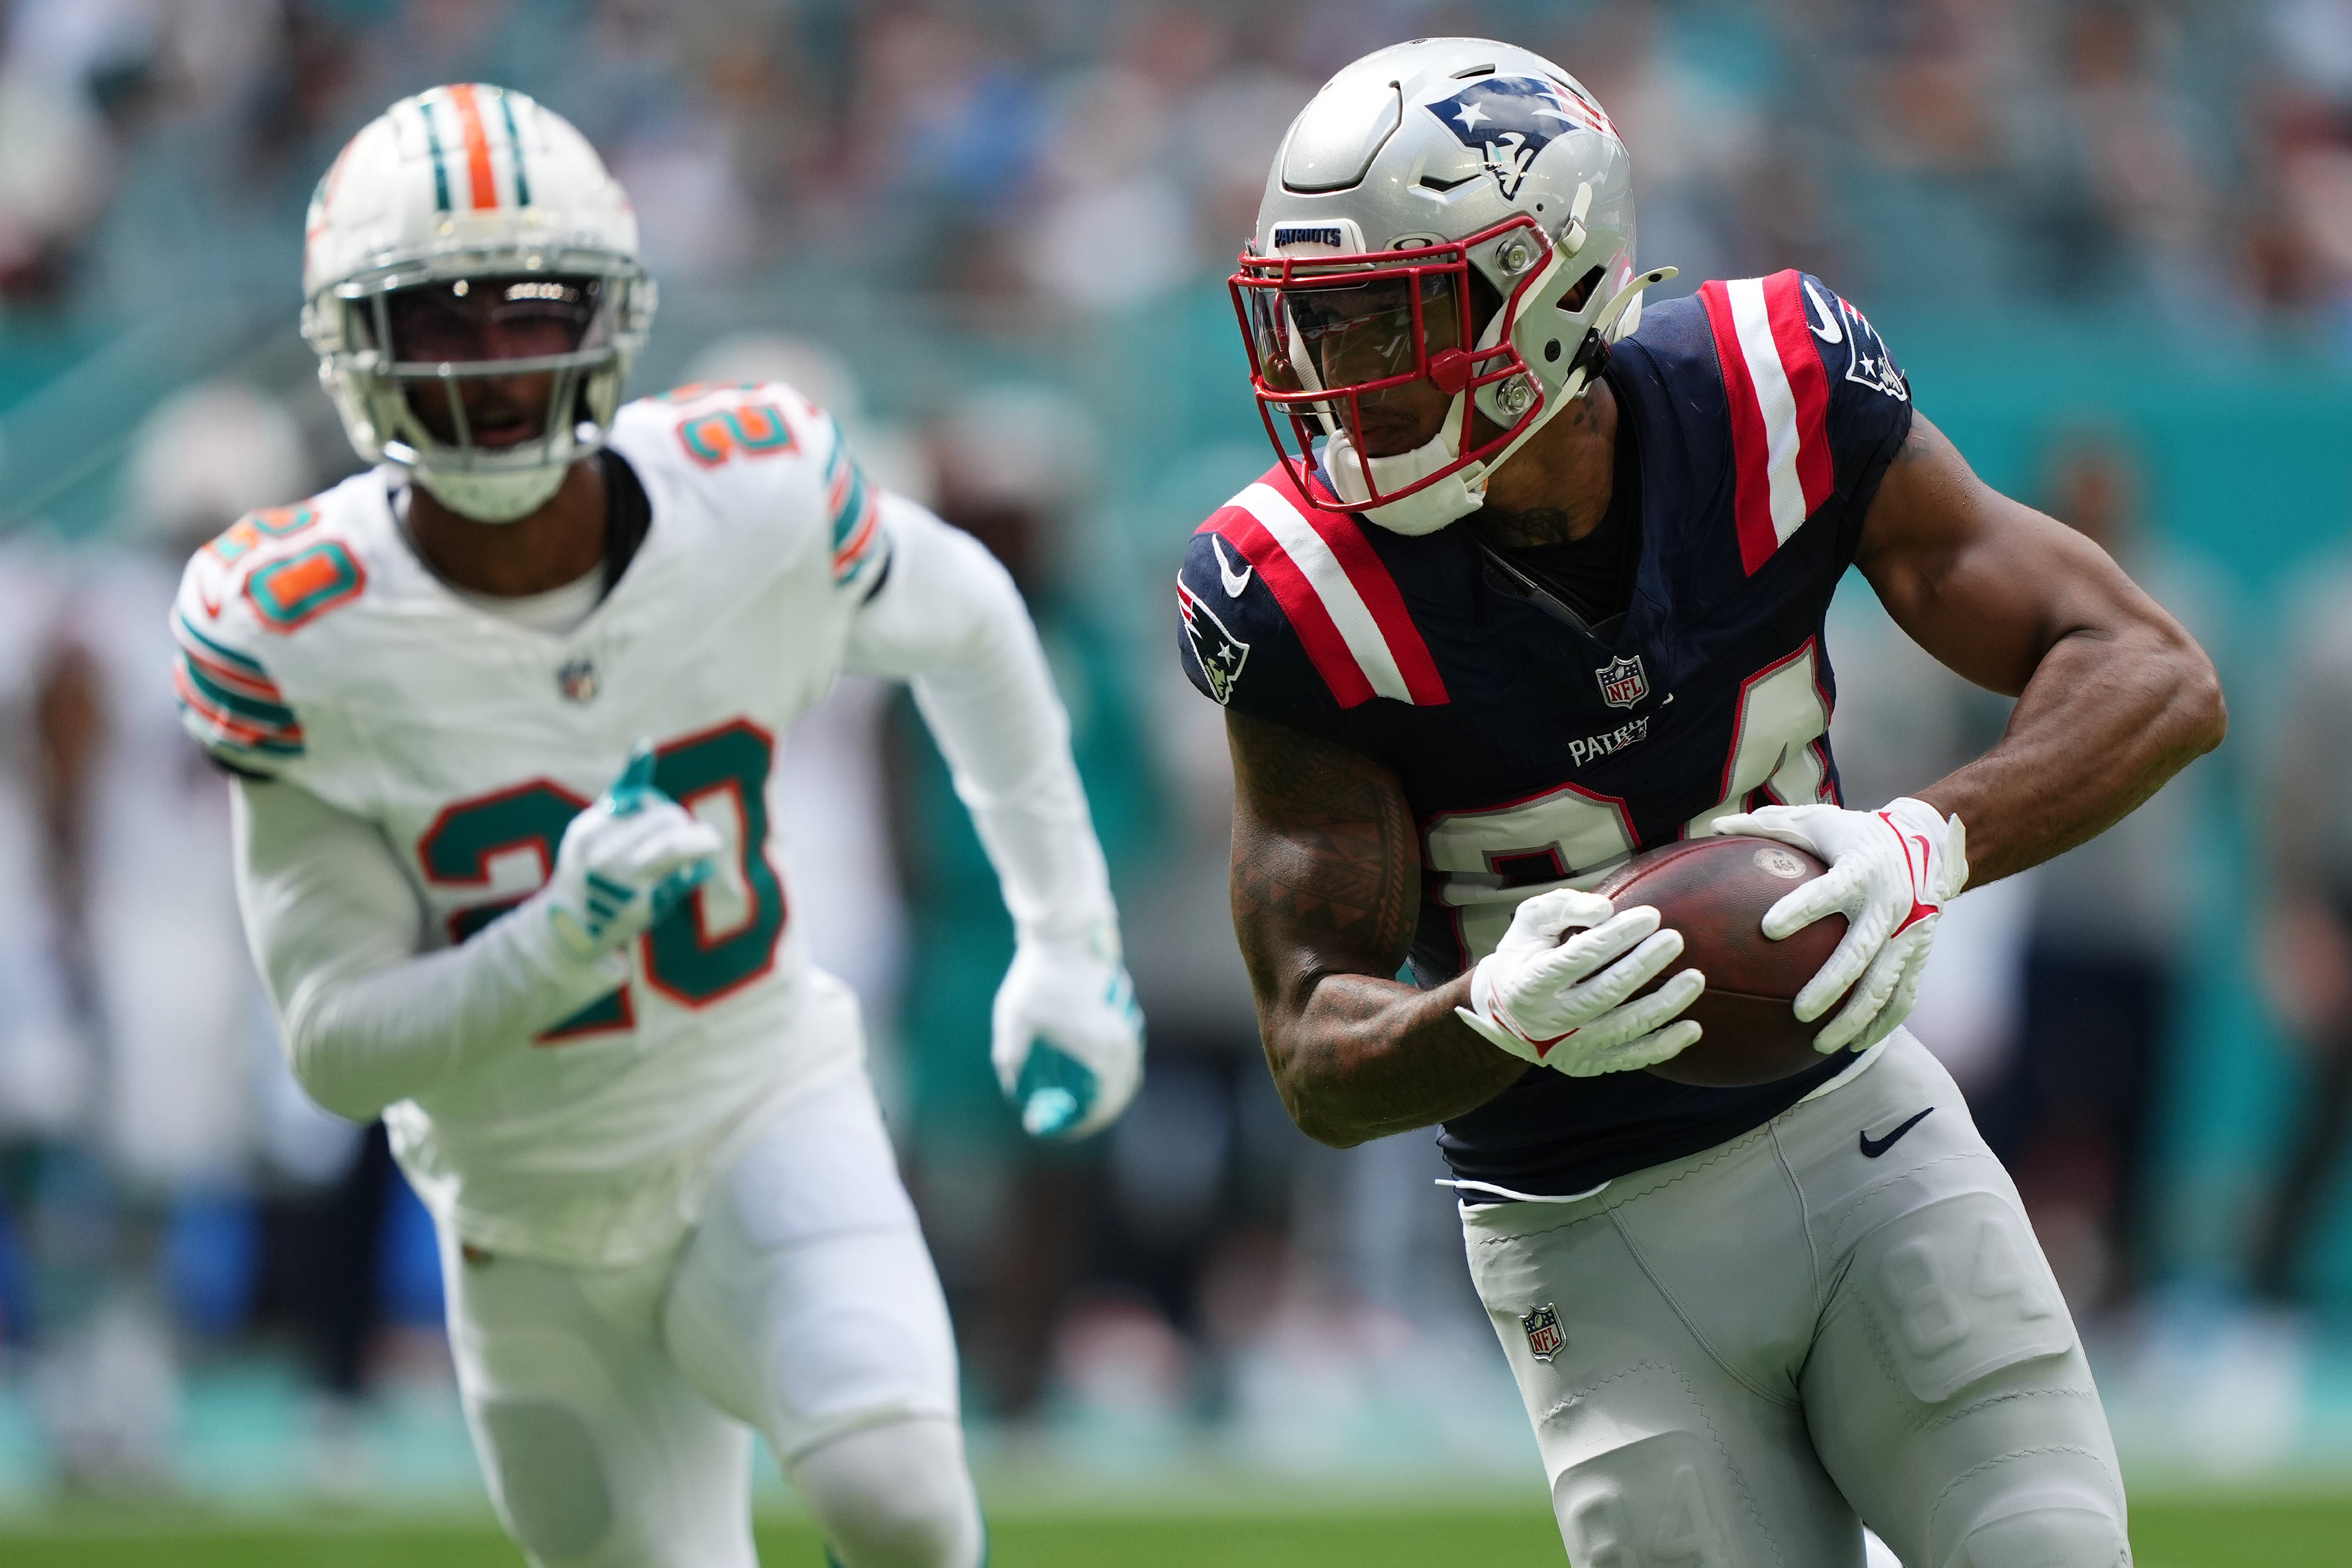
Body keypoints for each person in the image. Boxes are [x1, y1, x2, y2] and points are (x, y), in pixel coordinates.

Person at [1178, 39, 2221, 1566]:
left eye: (1391, 318)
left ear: (1552, 286)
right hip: (1582, 1230)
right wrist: (1491, 1016)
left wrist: (1928, 841)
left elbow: (2153, 670)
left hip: (1860, 1128)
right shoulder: (1299, 595)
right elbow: (1312, 1051)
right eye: (1319, 324)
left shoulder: (1773, 394)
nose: (1342, 379)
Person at [176, 85, 1142, 1568]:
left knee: (900, 1501)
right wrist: (559, 941)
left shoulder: (746, 497)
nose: (496, 363)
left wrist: (1067, 941)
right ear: (355, 344)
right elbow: (336, 1042)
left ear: (611, 310)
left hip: (763, 1104)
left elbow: (972, 621)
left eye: (531, 309)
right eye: (442, 317)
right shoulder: (300, 625)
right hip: (522, 1217)